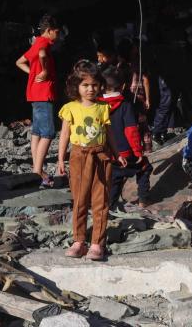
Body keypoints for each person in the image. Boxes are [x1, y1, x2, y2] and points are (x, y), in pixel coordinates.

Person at [56, 60, 127, 261]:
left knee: (100, 200)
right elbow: (64, 135)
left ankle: (97, 243)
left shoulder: (103, 108)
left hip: (101, 156)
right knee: (79, 200)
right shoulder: (69, 108)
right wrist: (61, 159)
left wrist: (117, 153)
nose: (90, 89)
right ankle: (79, 240)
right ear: (76, 86)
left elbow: (109, 133)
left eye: (94, 85)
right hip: (78, 156)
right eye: (85, 85)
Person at [15, 14, 62, 187]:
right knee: (48, 133)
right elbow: (42, 55)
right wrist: (43, 71)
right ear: (49, 31)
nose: (58, 35)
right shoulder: (44, 44)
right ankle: (37, 171)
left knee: (37, 132)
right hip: (44, 94)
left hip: (34, 94)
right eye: (57, 32)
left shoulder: (35, 44)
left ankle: (37, 170)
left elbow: (19, 62)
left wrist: (33, 74)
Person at [102, 64, 152, 209]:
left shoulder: (98, 105)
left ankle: (110, 206)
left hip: (109, 152)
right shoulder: (125, 106)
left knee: (115, 177)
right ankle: (143, 200)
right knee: (144, 168)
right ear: (123, 86)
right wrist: (138, 152)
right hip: (125, 151)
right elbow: (131, 131)